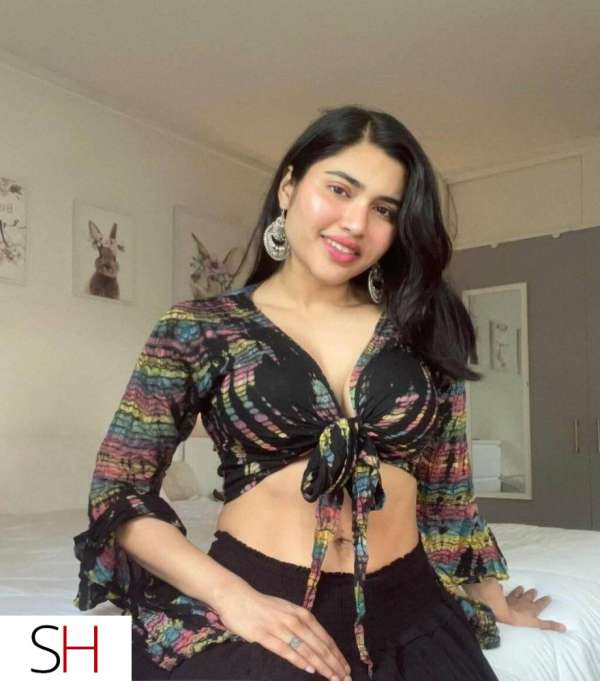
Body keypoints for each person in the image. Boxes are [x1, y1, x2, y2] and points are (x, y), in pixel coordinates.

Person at [73, 105, 567, 681]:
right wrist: (235, 599)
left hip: (414, 607)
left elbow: (448, 492)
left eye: (384, 209)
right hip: (262, 600)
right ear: (288, 187)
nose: (355, 223)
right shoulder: (199, 328)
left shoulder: (423, 331)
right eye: (339, 189)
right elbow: (120, 492)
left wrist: (489, 597)